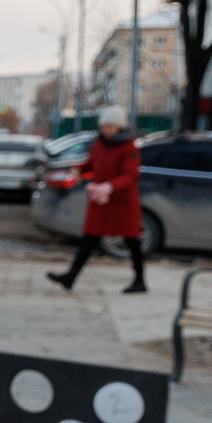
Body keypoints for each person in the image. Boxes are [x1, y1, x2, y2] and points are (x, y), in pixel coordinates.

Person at [47, 105, 146, 294]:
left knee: (132, 241)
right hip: (100, 201)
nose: (107, 130)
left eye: (111, 126)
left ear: (120, 127)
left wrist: (110, 186)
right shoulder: (99, 144)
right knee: (89, 238)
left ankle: (140, 279)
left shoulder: (129, 147)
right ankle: (71, 276)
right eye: (104, 126)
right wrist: (78, 169)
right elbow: (91, 163)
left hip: (121, 202)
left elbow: (131, 175)